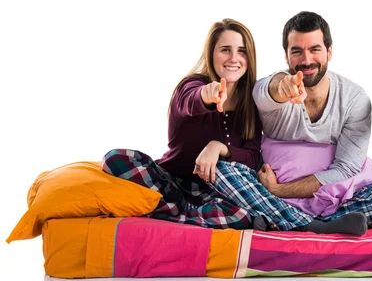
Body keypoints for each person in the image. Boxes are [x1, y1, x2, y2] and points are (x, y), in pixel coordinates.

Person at [102, 18, 263, 229]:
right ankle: (181, 212)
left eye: (241, 51)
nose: (234, 58)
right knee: (115, 158)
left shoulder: (251, 103)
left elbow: (252, 157)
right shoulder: (192, 85)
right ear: (211, 53)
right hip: (168, 182)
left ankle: (174, 214)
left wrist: (219, 147)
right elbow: (191, 101)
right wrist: (208, 95)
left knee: (241, 216)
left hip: (209, 192)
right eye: (225, 50)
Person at [250, 10, 372, 233]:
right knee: (226, 174)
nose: (307, 60)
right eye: (297, 51)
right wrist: (283, 87)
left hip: (303, 195)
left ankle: (285, 221)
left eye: (315, 49)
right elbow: (267, 90)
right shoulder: (269, 89)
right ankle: (322, 225)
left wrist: (279, 190)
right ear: (286, 56)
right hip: (267, 193)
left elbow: (346, 168)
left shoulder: (354, 99)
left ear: (329, 51)